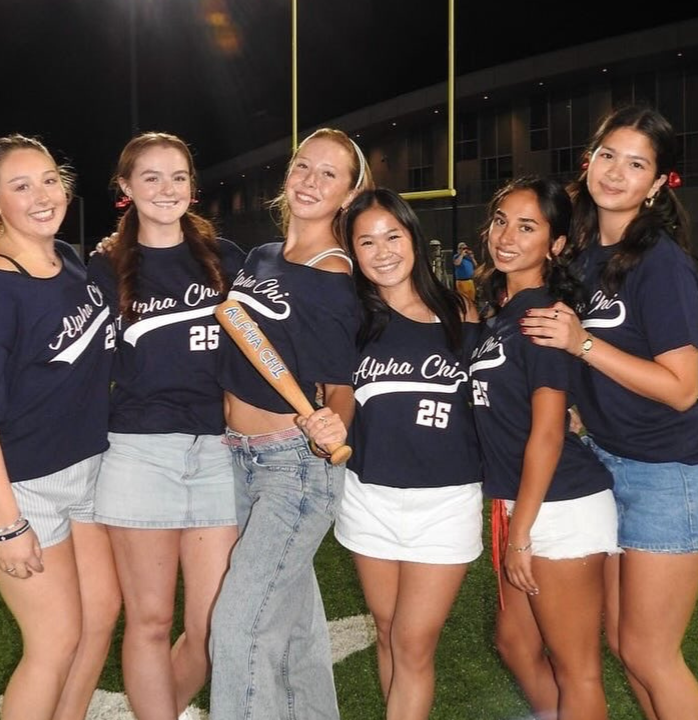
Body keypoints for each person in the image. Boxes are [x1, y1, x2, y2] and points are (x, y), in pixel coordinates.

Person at [519, 105, 698, 720]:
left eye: (637, 163)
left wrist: (583, 344)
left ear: (659, 183)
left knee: (651, 654)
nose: (617, 173)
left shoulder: (660, 263)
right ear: (589, 160)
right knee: (625, 646)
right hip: (616, 465)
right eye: (609, 155)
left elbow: (680, 388)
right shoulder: (585, 255)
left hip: (673, 475)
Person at [0, 134, 120, 720]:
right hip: (15, 484)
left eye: (48, 179)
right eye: (20, 186)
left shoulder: (69, 259)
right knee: (55, 639)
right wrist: (8, 526)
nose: (42, 195)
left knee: (101, 615)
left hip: (82, 465)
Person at [209, 127, 374, 720]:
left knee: (240, 628)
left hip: (293, 468)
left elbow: (340, 388)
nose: (310, 181)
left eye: (329, 174)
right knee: (297, 630)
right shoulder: (262, 257)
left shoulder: (334, 276)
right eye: (304, 166)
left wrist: (335, 425)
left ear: (350, 193)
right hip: (237, 458)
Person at [87, 132, 246, 720]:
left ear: (192, 186)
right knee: (150, 620)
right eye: (149, 177)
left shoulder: (226, 257)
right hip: (138, 453)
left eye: (177, 176)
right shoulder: (103, 268)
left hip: (217, 453)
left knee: (210, 628)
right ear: (125, 188)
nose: (166, 188)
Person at [469, 176, 619, 720]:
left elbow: (550, 431)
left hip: (560, 505)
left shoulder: (544, 315)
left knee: (576, 668)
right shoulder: (505, 315)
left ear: (555, 245)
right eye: (501, 219)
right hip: (525, 501)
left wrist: (521, 535)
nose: (506, 235)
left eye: (527, 226)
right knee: (514, 642)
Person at [335, 188, 481, 720]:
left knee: (414, 643)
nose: (383, 251)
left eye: (392, 235)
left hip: (446, 501)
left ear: (414, 238)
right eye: (366, 240)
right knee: (388, 631)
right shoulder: (349, 319)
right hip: (368, 496)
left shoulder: (460, 312)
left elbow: (496, 397)